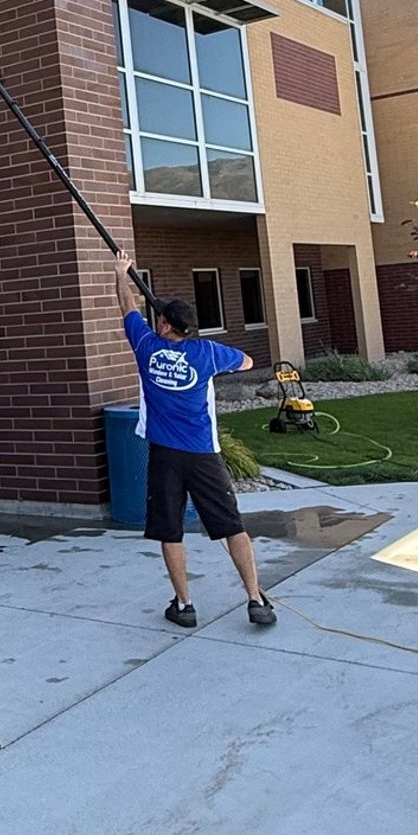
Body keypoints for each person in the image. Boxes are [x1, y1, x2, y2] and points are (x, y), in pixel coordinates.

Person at [114, 254, 276, 630]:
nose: (156, 323)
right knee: (232, 526)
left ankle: (185, 605)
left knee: (170, 531)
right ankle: (255, 599)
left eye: (160, 320)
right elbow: (248, 361)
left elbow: (127, 307)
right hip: (204, 455)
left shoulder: (145, 347)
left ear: (165, 325)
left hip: (165, 456)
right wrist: (215, 360)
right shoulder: (206, 353)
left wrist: (120, 274)